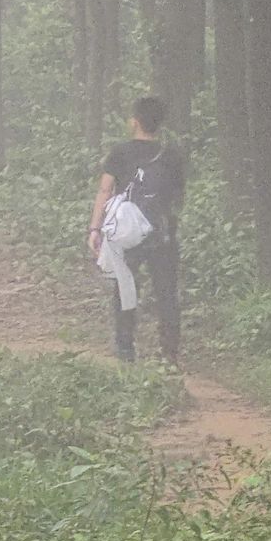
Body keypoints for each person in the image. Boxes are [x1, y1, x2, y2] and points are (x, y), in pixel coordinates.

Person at [88, 94, 187, 366]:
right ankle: (170, 353)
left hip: (127, 233)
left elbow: (105, 190)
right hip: (162, 231)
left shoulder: (120, 152)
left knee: (125, 287)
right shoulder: (172, 155)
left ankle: (126, 349)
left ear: (135, 122)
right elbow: (178, 196)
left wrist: (95, 228)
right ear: (160, 124)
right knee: (166, 292)